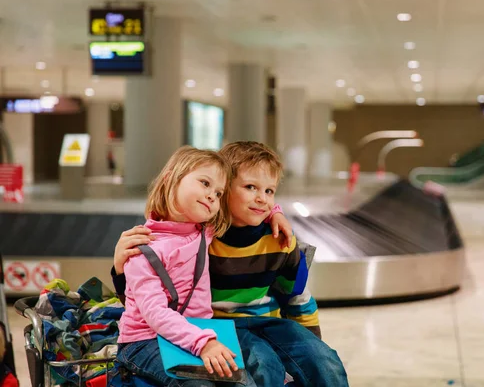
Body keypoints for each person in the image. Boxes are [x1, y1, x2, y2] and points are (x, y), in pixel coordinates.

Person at [113, 142, 349, 387]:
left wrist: (275, 212)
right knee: (264, 364)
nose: (262, 199)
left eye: (270, 191)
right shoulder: (204, 234)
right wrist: (120, 265)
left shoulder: (280, 239)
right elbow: (147, 297)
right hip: (220, 326)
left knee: (324, 360)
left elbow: (297, 296)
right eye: (250, 187)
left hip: (269, 321)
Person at [115, 146, 238, 387]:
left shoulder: (205, 233)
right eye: (204, 183)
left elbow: (250, 209)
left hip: (197, 333)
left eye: (219, 193)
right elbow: (155, 313)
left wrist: (275, 212)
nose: (213, 196)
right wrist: (202, 343)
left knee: (243, 381)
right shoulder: (142, 246)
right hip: (144, 341)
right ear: (171, 178)